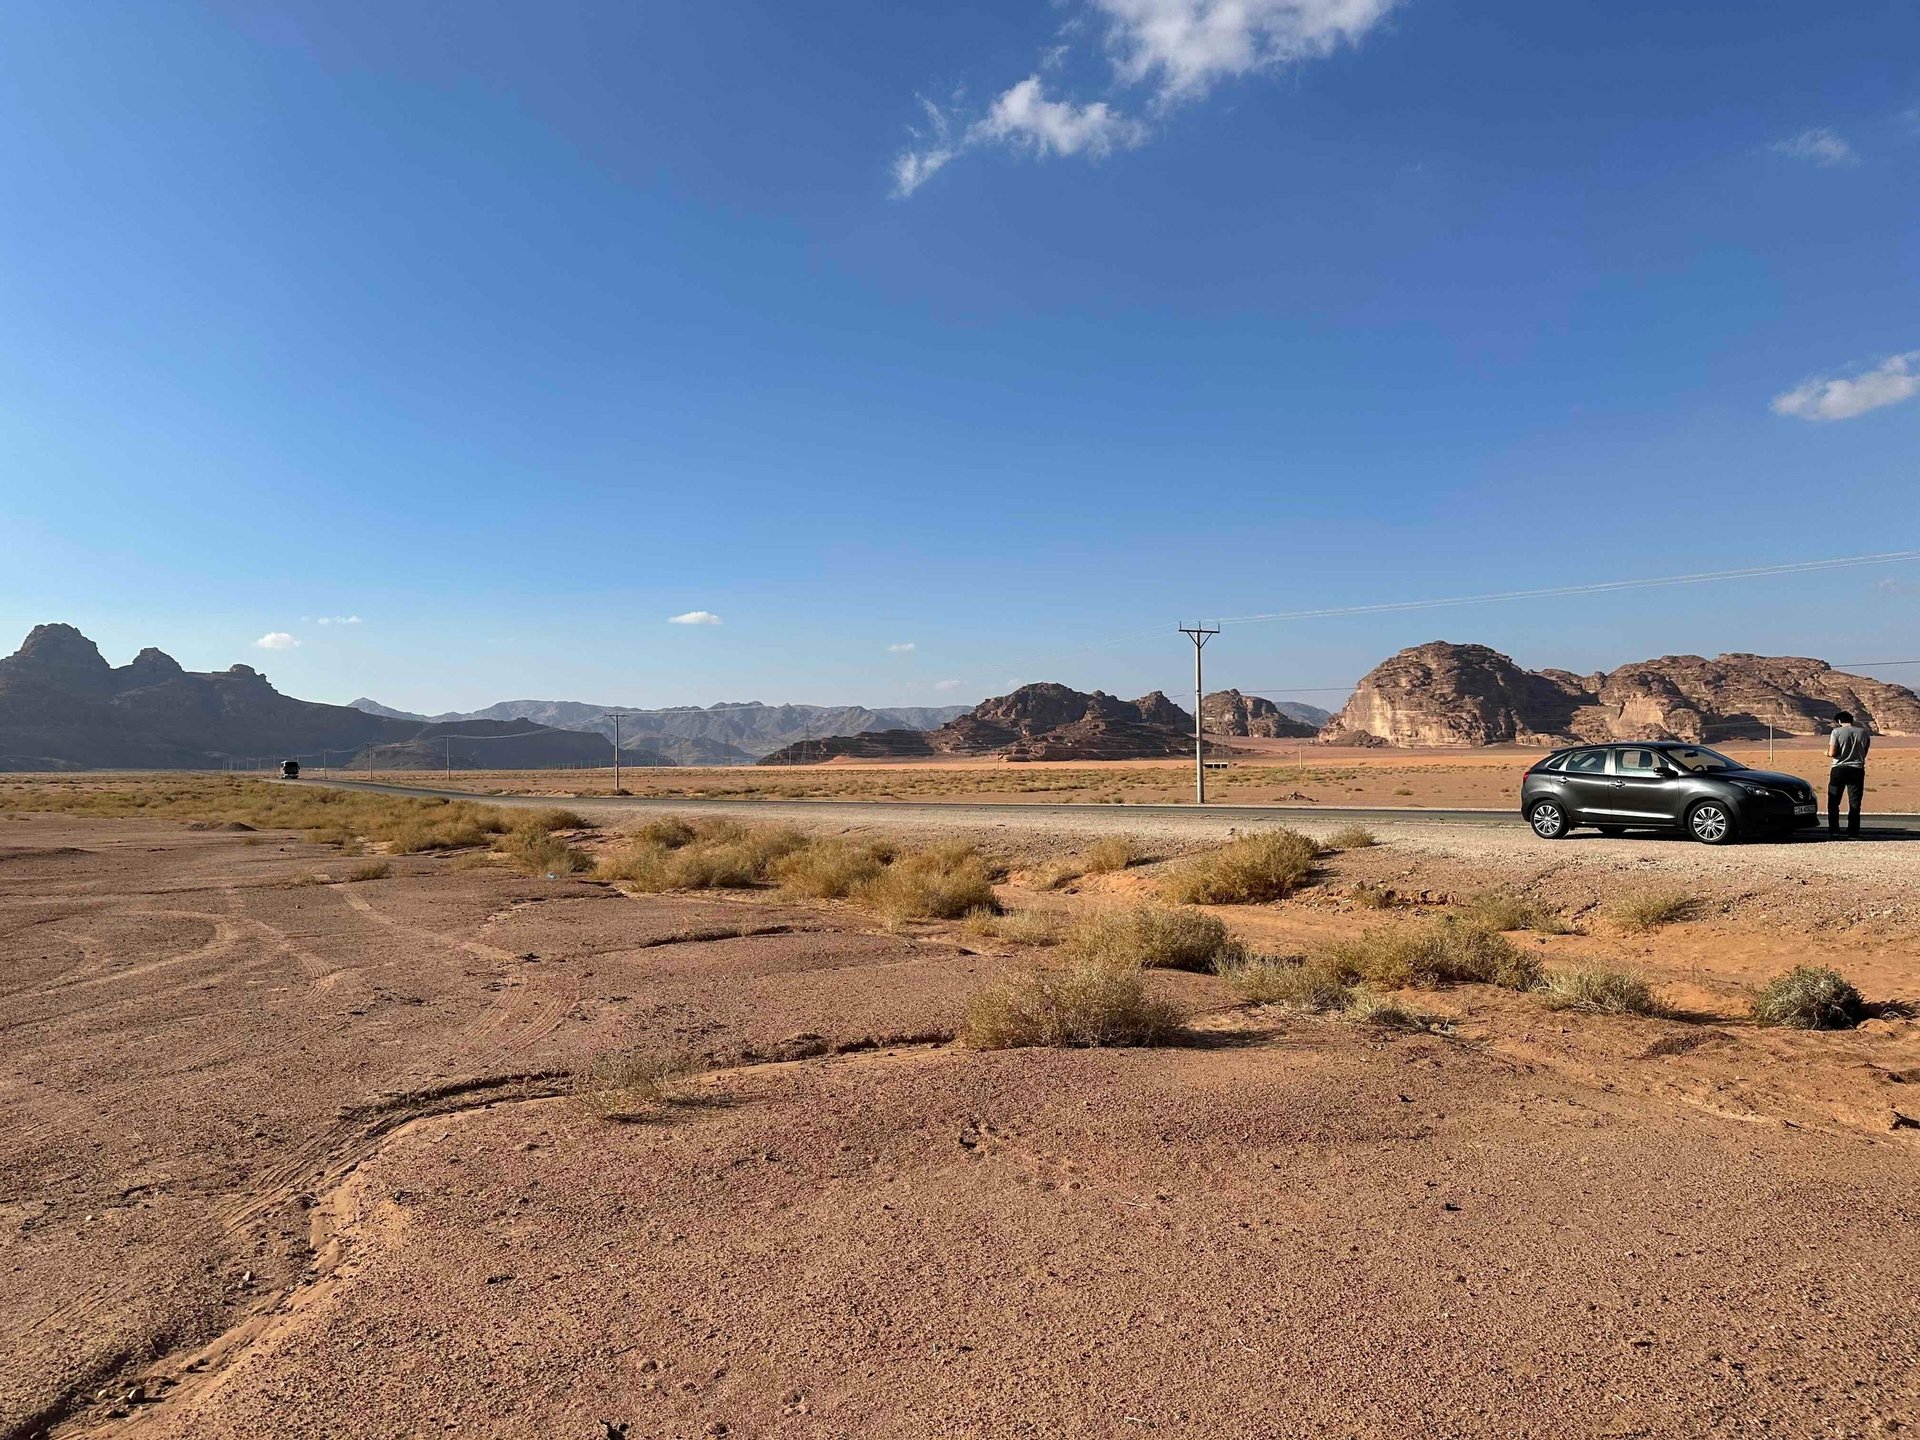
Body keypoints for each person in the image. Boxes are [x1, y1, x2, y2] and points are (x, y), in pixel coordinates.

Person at [1826, 710, 1870, 838]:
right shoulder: (1863, 732)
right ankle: (1853, 832)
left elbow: (1833, 752)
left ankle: (1834, 830)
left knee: (1834, 802)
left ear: (1839, 721)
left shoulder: (1836, 732)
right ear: (1851, 720)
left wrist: (1827, 753)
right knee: (1855, 803)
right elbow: (1864, 752)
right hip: (1857, 769)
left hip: (1839, 769)